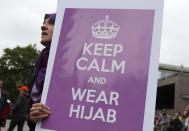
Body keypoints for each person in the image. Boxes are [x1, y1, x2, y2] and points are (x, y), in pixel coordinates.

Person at [28, 13, 56, 131]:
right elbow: (30, 107)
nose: (43, 26)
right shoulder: (41, 60)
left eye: (51, 23)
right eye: (44, 23)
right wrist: (32, 118)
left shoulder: (72, 63)